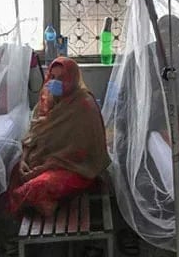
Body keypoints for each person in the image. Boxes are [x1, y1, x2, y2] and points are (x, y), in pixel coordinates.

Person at [6, 57, 109, 217]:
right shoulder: (47, 101)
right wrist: (24, 160)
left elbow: (84, 153)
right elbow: (33, 135)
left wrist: (47, 166)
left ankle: (46, 202)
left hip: (75, 168)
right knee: (14, 173)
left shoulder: (84, 105)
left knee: (36, 186)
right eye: (52, 77)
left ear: (73, 79)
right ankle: (45, 202)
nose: (55, 83)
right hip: (43, 160)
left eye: (62, 78)